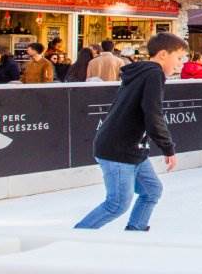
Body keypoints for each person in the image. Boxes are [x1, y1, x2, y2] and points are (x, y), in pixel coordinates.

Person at [73, 33, 188, 232]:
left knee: (152, 191)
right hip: (119, 149)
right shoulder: (153, 74)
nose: (181, 64)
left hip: (132, 148)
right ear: (162, 54)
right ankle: (75, 238)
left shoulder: (144, 73)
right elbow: (153, 114)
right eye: (178, 58)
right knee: (117, 204)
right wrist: (168, 147)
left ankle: (135, 233)